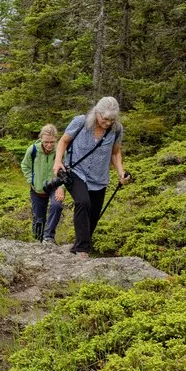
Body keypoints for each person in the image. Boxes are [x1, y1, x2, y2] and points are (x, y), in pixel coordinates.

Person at [52, 97, 130, 259]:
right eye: (105, 119)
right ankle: (82, 250)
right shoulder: (80, 122)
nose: (107, 123)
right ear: (96, 113)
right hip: (75, 171)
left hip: (99, 177)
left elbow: (115, 153)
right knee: (83, 202)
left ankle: (78, 245)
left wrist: (121, 172)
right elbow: (63, 141)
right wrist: (58, 161)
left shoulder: (117, 130)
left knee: (93, 215)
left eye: (112, 119)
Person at [20, 125, 65, 244]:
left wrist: (61, 187)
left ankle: (49, 237)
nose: (49, 145)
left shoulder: (60, 151)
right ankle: (37, 241)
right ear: (41, 139)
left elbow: (66, 170)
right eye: (46, 142)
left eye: (52, 142)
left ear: (56, 139)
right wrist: (32, 181)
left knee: (57, 205)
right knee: (38, 218)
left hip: (54, 185)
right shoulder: (33, 150)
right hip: (37, 188)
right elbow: (25, 166)